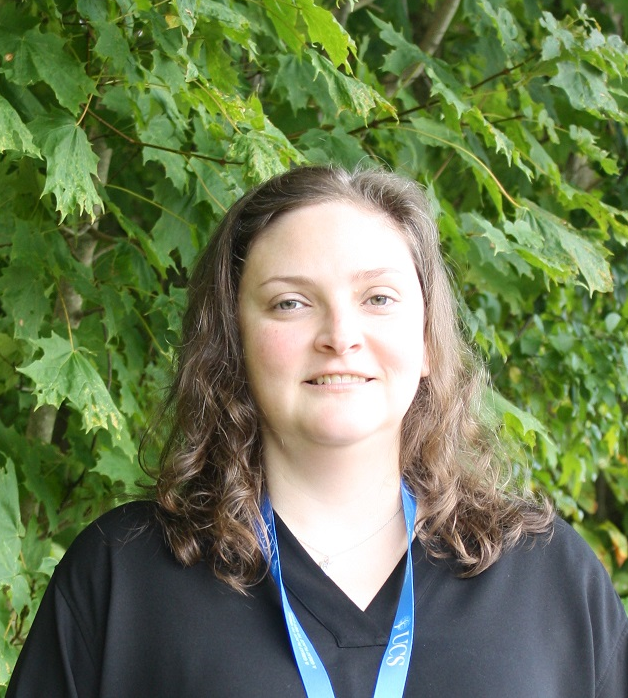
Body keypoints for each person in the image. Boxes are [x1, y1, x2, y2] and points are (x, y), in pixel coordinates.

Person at [7, 165, 628, 697]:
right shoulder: (123, 579)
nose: (340, 335)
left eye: (379, 298)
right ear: (233, 342)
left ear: (428, 339)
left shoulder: (550, 582)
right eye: (290, 303)